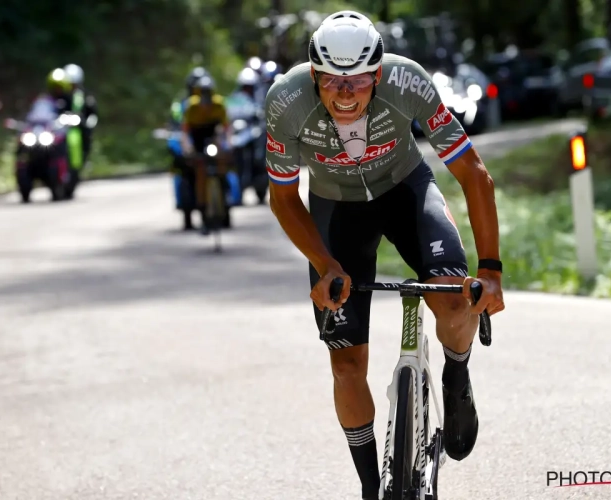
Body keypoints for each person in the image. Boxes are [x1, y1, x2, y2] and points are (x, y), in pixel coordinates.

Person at [265, 10, 505, 500]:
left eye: (358, 80)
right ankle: (371, 487)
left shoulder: (408, 82)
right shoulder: (286, 104)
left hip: (405, 191)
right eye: (332, 80)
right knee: (346, 364)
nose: (345, 93)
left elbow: (474, 174)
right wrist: (326, 264)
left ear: (378, 74)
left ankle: (456, 372)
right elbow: (284, 197)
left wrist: (491, 270)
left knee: (454, 299)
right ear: (314, 76)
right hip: (337, 211)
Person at [180, 74, 232, 234]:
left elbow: (226, 128)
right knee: (200, 171)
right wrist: (188, 148)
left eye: (208, 92)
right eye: (203, 92)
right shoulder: (191, 107)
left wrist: (228, 144)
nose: (206, 96)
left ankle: (225, 197)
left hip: (213, 139)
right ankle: (202, 210)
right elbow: (185, 132)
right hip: (198, 140)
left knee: (223, 162)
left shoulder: (219, 104)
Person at [63, 63, 98, 165]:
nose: (72, 86)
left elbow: (91, 112)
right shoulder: (61, 96)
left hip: (78, 126)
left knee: (86, 134)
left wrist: (87, 124)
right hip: (61, 125)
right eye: (69, 84)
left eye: (74, 84)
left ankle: (84, 158)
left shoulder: (83, 96)